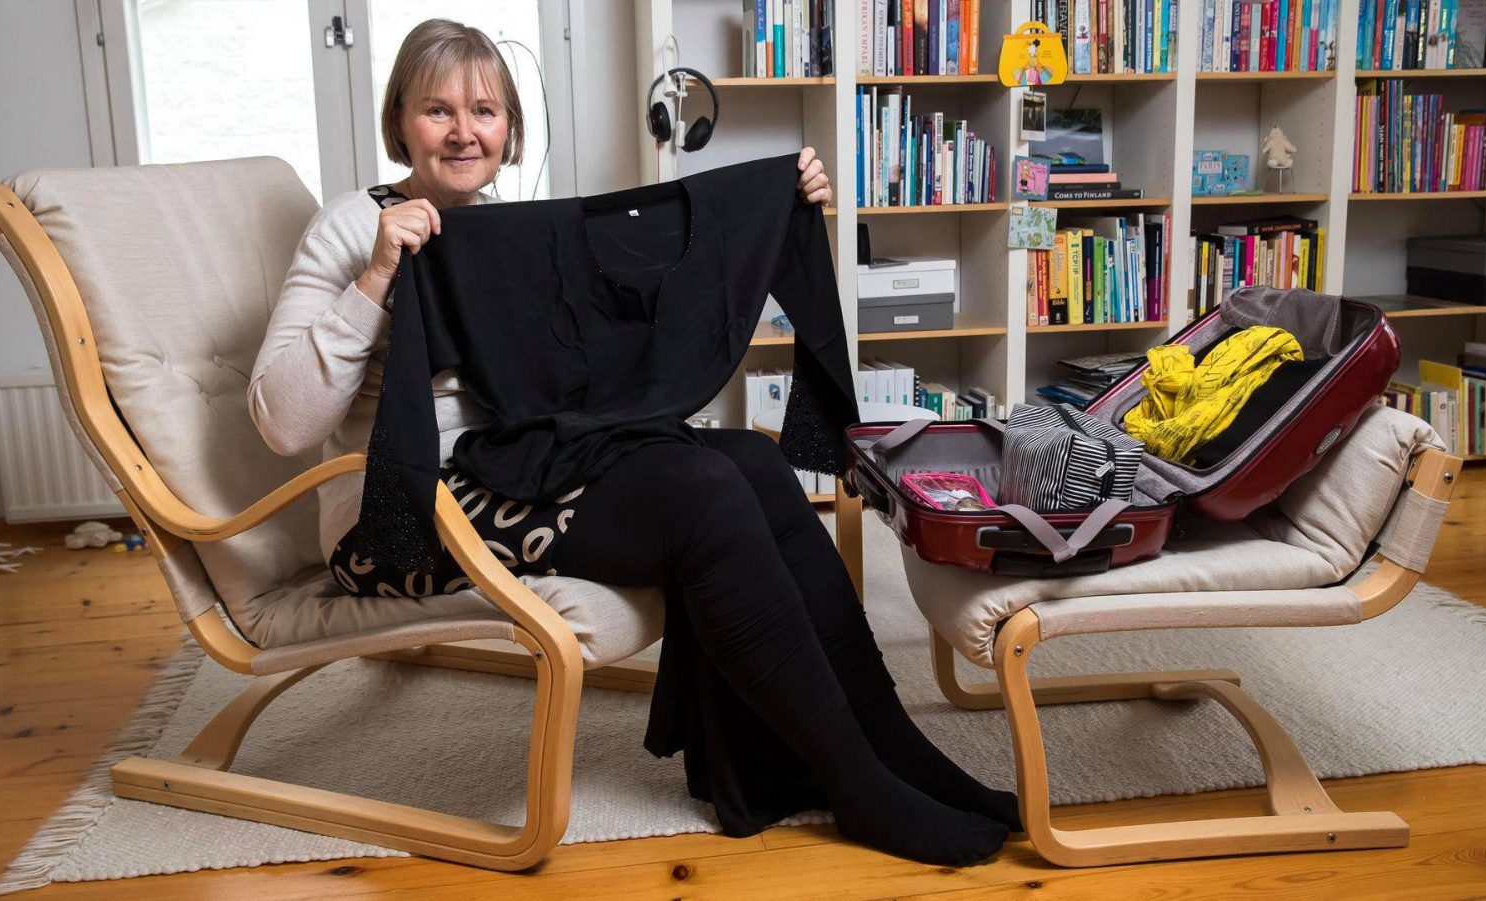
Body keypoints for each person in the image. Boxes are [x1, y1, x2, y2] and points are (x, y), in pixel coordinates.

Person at [249, 18, 1015, 867]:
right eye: (438, 110)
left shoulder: (509, 230)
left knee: (755, 463)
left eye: (485, 111)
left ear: (510, 131)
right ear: (400, 120)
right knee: (700, 496)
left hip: (518, 466)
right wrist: (375, 280)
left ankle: (893, 744)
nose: (464, 131)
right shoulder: (353, 226)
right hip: (400, 512)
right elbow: (280, 420)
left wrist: (771, 203)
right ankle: (854, 779)